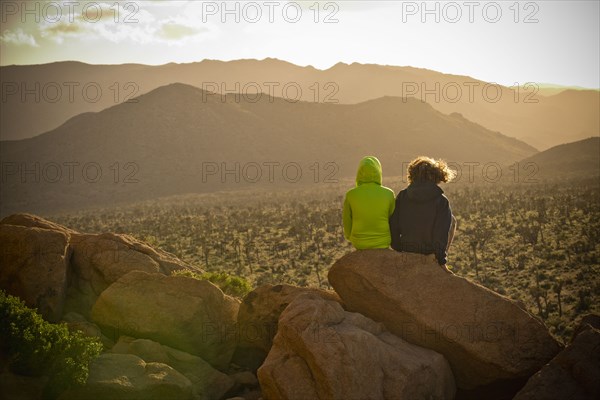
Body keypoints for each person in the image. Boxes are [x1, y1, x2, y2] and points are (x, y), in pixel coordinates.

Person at [389, 156, 457, 270]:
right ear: (437, 174)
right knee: (452, 220)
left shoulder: (403, 196)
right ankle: (437, 260)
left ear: (412, 174)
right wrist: (441, 260)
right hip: (429, 252)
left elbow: (394, 225)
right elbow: (441, 233)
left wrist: (398, 249)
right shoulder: (441, 201)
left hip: (407, 249)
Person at [343, 156, 395, 249]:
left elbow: (347, 222)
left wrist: (350, 237)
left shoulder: (351, 194)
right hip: (383, 241)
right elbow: (393, 219)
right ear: (379, 172)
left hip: (359, 243)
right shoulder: (389, 194)